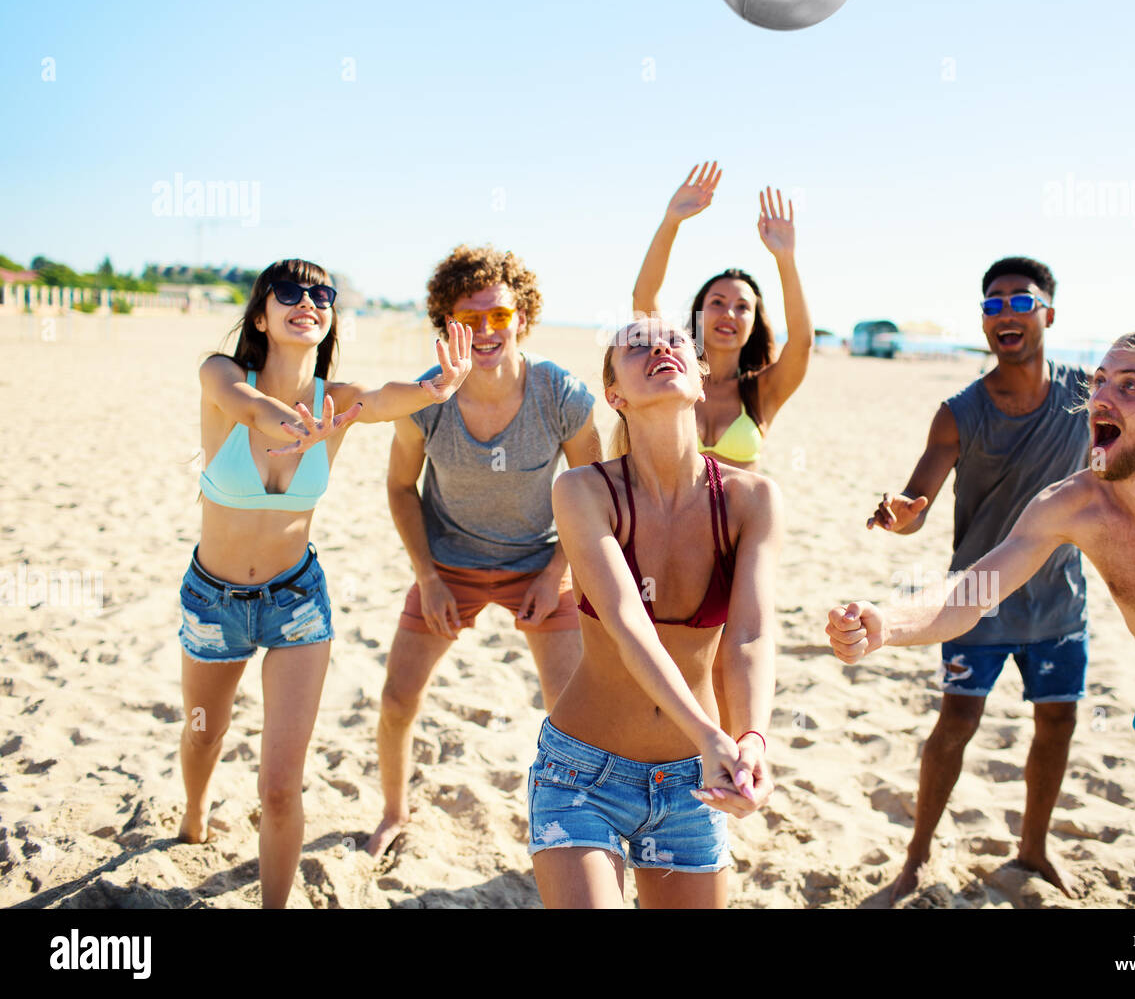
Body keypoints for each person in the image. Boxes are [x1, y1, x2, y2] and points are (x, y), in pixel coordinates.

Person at [828, 330, 1135, 910]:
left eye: (1129, 386)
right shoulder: (1073, 505)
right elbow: (974, 592)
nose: (1102, 396)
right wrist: (887, 624)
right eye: (1100, 380)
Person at [180, 258, 471, 908]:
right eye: (288, 291)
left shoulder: (336, 403)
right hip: (213, 599)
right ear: (261, 314)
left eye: (321, 293)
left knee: (281, 786)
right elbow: (249, 408)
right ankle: (193, 814)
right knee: (205, 731)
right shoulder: (221, 373)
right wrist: (291, 424)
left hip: (296, 603)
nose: (306, 300)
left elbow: (394, 394)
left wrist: (438, 385)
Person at [530, 318, 781, 908]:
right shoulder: (582, 491)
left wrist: (751, 741)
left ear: (701, 379)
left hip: (695, 782)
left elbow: (749, 634)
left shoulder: (752, 499)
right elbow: (624, 621)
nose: (660, 348)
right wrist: (710, 735)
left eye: (674, 343)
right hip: (581, 775)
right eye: (636, 347)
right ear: (614, 395)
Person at [864, 257, 1091, 901]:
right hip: (976, 603)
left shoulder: (1088, 397)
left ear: (1049, 312)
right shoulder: (959, 412)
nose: (1006, 315)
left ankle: (1034, 847)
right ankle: (916, 857)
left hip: (1058, 604)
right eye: (992, 306)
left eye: (1021, 302)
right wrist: (900, 515)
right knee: (956, 724)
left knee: (1058, 724)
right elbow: (916, 506)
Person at [367, 245, 600, 856]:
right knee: (396, 699)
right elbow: (398, 487)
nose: (486, 331)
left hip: (540, 564)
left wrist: (558, 573)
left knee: (572, 714)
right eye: (469, 320)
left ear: (521, 316)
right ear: (448, 325)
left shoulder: (560, 393)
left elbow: (596, 492)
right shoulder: (427, 398)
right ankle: (394, 811)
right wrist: (429, 575)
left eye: (499, 315)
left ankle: (576, 828)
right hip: (448, 566)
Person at [631, 163, 813, 470]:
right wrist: (671, 221)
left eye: (743, 307)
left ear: (754, 323)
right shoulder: (674, 373)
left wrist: (785, 258)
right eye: (717, 302)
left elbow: (802, 341)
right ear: (699, 313)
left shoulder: (763, 391)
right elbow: (644, 299)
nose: (729, 313)